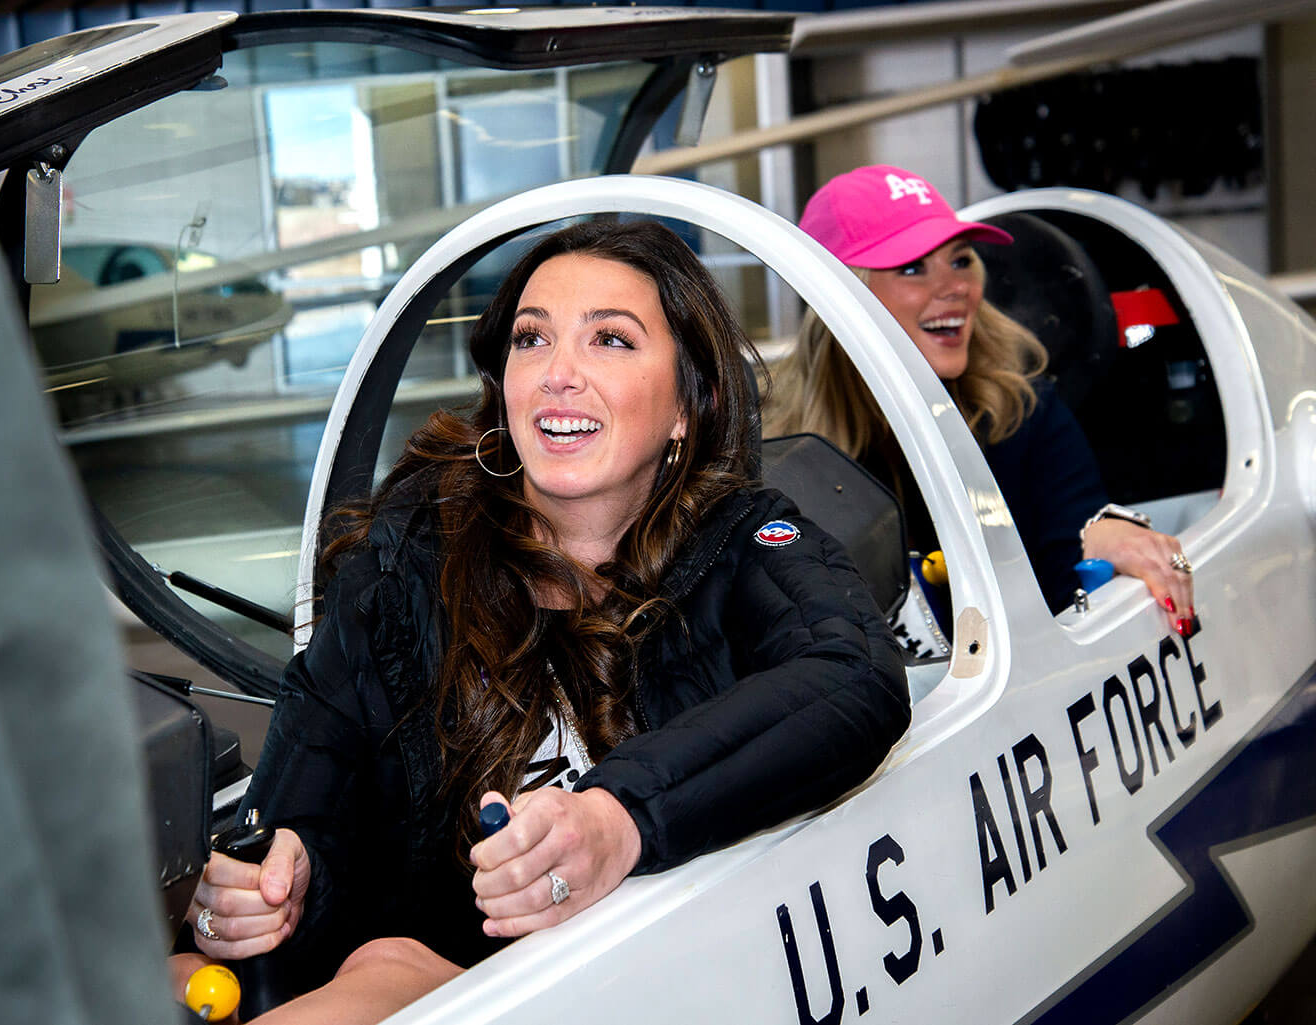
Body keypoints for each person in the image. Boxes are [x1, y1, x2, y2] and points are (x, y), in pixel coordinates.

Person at [176, 220, 911, 1023]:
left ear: (687, 404)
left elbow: (856, 676)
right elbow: (297, 813)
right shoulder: (408, 552)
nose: (559, 373)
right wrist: (267, 888)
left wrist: (617, 817)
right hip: (430, 968)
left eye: (611, 340)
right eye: (532, 339)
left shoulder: (744, 539)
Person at [764, 164, 1196, 630]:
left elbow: (1066, 554)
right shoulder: (776, 454)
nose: (955, 288)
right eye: (913, 268)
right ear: (840, 297)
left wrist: (1099, 535)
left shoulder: (1023, 410)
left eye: (961, 259)